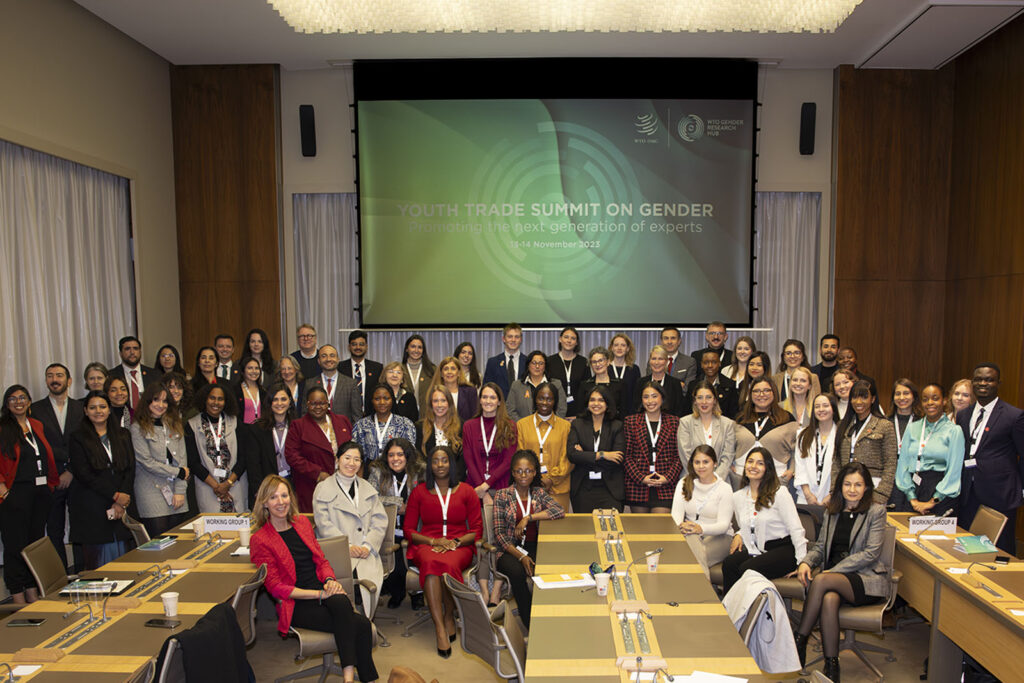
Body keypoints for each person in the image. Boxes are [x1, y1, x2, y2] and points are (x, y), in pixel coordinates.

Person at [250, 475, 379, 683]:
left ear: (291, 498)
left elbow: (321, 560)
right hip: (296, 603)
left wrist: (329, 580)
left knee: (341, 603)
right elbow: (276, 588)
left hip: (322, 590)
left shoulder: (301, 523)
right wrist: (319, 593)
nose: (281, 502)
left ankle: (348, 677)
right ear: (264, 502)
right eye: (273, 497)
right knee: (360, 624)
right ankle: (363, 679)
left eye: (284, 495)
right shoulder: (260, 539)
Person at [793, 462, 888, 682]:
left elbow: (870, 554)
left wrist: (831, 573)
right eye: (847, 484)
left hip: (864, 580)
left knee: (824, 583)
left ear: (866, 488)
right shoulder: (832, 512)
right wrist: (806, 562)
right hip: (831, 582)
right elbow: (819, 547)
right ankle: (832, 667)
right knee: (829, 599)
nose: (852, 489)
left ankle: (800, 639)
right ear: (840, 486)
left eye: (858, 485)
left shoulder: (876, 511)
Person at [404, 446, 482, 658]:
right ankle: (440, 626)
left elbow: (476, 530)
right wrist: (433, 540)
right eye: (435, 461)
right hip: (427, 544)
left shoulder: (466, 491)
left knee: (447, 564)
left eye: (444, 460)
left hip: (459, 545)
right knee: (431, 564)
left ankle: (449, 614)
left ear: (451, 464)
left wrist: (454, 542)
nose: (440, 465)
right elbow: (409, 530)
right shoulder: (419, 492)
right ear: (430, 465)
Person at [313, 442, 388, 617]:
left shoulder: (368, 488)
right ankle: (351, 618)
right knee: (351, 578)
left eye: (356, 459)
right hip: (337, 551)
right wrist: (347, 546)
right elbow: (323, 524)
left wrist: (367, 546)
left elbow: (380, 521)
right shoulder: (322, 488)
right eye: (347, 458)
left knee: (366, 578)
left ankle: (362, 619)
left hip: (365, 551)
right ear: (337, 459)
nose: (351, 463)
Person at [492, 449, 565, 629]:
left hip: (534, 546)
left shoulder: (539, 493)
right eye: (519, 471)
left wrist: (529, 517)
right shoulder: (502, 495)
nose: (523, 475)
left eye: (528, 471)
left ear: (534, 472)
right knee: (517, 573)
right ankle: (531, 622)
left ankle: (550, 614)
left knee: (548, 568)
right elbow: (500, 535)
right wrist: (521, 556)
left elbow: (559, 511)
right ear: (513, 473)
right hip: (509, 550)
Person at [956, 363, 1024, 553]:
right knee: (967, 548)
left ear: (998, 383)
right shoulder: (963, 415)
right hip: (968, 493)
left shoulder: (1013, 416)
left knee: (998, 551)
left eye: (989, 379)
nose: (983, 383)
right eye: (978, 379)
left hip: (1000, 495)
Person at [0, 385, 59, 603]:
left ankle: (32, 590)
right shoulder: (3, 428)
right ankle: (17, 596)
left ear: (29, 402)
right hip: (15, 494)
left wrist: (51, 484)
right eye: (13, 399)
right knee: (15, 545)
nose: (18, 402)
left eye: (22, 398)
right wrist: (3, 491)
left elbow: (46, 455)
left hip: (40, 492)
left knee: (34, 544)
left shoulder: (36, 425)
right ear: (7, 404)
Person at [722, 447, 806, 594]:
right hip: (757, 549)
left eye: (760, 463)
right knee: (729, 564)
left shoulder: (779, 493)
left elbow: (796, 529)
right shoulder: (738, 497)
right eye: (750, 462)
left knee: (747, 569)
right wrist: (739, 534)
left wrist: (802, 562)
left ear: (768, 468)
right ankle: (730, 611)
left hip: (783, 550)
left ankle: (747, 610)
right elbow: (749, 524)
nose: (753, 466)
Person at [68, 391, 134, 568]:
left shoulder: (122, 435)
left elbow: (130, 469)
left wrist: (122, 498)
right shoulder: (77, 438)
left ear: (109, 410)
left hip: (119, 506)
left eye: (102, 406)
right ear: (85, 411)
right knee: (98, 565)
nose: (98, 411)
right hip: (92, 507)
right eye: (93, 407)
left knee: (124, 563)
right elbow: (84, 474)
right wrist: (115, 495)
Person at [31, 363, 84, 570]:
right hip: (51, 479)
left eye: (59, 375)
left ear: (69, 381)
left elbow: (85, 443)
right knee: (54, 529)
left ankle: (83, 570)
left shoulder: (81, 408)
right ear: (46, 381)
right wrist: (58, 472)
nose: (55, 379)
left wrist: (70, 470)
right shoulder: (34, 409)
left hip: (78, 476)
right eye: (50, 375)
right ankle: (61, 576)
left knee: (80, 526)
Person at [367, 438, 424, 609]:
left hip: (415, 528)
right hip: (387, 531)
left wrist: (411, 506)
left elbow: (428, 497)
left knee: (414, 560)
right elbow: (370, 497)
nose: (395, 459)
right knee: (395, 566)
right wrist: (396, 502)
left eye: (400, 454)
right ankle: (397, 593)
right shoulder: (377, 471)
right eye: (391, 455)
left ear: (407, 456)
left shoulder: (419, 471)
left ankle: (417, 594)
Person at [894, 383, 964, 516]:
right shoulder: (912, 428)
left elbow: (954, 472)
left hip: (941, 492)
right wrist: (912, 498)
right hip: (913, 490)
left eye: (935, 398)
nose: (930, 403)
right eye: (925, 399)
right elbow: (903, 464)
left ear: (944, 401)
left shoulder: (954, 431)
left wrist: (934, 500)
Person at [285, 387, 354, 513]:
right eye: (313, 403)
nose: (318, 407)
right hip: (312, 484)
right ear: (307, 404)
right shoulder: (298, 426)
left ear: (328, 403)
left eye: (322, 403)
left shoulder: (342, 421)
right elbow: (292, 456)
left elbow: (352, 449)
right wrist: (317, 473)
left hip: (343, 482)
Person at [832, 380, 897, 505]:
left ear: (872, 399)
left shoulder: (884, 425)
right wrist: (834, 490)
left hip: (873, 487)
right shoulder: (843, 425)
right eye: (855, 397)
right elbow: (836, 461)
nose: (859, 402)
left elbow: (890, 463)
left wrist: (881, 494)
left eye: (864, 397)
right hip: (845, 489)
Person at [185, 383, 248, 513]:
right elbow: (193, 461)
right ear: (205, 399)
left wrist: (228, 484)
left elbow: (244, 457)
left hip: (235, 486)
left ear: (226, 402)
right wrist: (217, 487)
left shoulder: (235, 422)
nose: (216, 402)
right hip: (208, 487)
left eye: (220, 399)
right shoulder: (192, 425)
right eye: (212, 398)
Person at [671, 444, 735, 566]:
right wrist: (685, 528)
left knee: (693, 558)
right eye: (697, 462)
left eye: (706, 462)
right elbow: (676, 518)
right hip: (690, 534)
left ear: (715, 463)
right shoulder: (684, 483)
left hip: (720, 536)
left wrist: (700, 529)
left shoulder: (724, 488)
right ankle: (703, 585)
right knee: (688, 551)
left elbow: (723, 525)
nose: (701, 466)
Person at [624, 381, 682, 513]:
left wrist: (667, 478)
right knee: (641, 531)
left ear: (662, 397)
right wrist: (641, 478)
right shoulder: (630, 422)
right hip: (638, 485)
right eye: (646, 397)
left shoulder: (675, 422)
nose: (650, 401)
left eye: (654, 396)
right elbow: (626, 456)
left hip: (665, 485)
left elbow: (679, 456)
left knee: (659, 529)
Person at [568, 386, 626, 512]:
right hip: (583, 487)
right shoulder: (577, 424)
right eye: (592, 400)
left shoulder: (617, 426)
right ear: (587, 403)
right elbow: (572, 455)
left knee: (611, 528)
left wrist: (585, 455)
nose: (596, 404)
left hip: (609, 488)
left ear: (607, 404)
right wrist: (602, 455)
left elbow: (618, 458)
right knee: (584, 529)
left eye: (601, 400)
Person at [734, 378, 799, 491]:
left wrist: (791, 470)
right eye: (756, 391)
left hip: (776, 480)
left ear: (774, 392)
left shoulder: (787, 418)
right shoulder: (740, 418)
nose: (761, 394)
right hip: (741, 480)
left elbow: (797, 449)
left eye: (766, 390)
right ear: (750, 394)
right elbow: (730, 445)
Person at [516, 383, 572, 511]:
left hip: (558, 489)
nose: (545, 403)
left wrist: (551, 479)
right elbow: (519, 456)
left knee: (557, 529)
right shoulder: (522, 425)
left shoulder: (565, 427)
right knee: (530, 528)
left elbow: (567, 459)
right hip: (529, 488)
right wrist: (535, 479)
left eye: (549, 399)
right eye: (541, 398)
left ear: (555, 401)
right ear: (535, 400)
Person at [238, 384, 296, 509]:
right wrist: (261, 493)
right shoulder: (257, 429)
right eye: (275, 399)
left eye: (283, 399)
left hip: (293, 486)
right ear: (269, 402)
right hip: (267, 488)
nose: (279, 403)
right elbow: (253, 465)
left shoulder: (297, 427)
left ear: (290, 402)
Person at [462, 383, 517, 505]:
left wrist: (486, 485)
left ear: (499, 402)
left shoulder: (510, 426)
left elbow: (508, 461)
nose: (488, 401)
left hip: (501, 486)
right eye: (484, 397)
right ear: (480, 401)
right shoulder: (469, 426)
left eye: (492, 397)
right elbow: (469, 460)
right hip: (475, 486)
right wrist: (482, 491)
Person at [678, 381, 737, 485]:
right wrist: (700, 480)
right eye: (700, 397)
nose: (704, 402)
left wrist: (715, 480)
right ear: (695, 401)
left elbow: (727, 456)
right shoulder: (685, 423)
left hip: (720, 482)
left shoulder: (727, 424)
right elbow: (685, 455)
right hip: (692, 481)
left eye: (708, 397)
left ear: (714, 400)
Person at [794, 393, 839, 507]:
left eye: (825, 405)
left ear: (833, 408)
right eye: (817, 406)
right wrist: (808, 494)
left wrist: (832, 495)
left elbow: (843, 468)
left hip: (832, 497)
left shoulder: (842, 435)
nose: (821, 409)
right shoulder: (803, 435)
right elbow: (800, 467)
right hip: (806, 497)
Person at [352, 385, 417, 464]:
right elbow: (357, 455)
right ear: (371, 401)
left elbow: (410, 455)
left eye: (386, 398)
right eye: (377, 399)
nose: (382, 402)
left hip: (397, 469)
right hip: (369, 471)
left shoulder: (405, 424)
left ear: (392, 400)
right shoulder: (361, 425)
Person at [416, 387, 466, 483]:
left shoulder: (462, 426)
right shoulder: (420, 427)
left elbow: (462, 462)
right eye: (435, 401)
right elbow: (419, 460)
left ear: (450, 403)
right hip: (427, 483)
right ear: (431, 404)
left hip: (455, 483)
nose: (439, 405)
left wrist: (452, 481)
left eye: (443, 400)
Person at [304, 345, 362, 424]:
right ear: (319, 361)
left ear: (338, 359)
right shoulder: (310, 384)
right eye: (324, 356)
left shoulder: (351, 384)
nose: (328, 359)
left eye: (332, 355)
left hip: (343, 432)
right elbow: (305, 414)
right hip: (316, 432)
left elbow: (357, 416)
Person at [507, 350, 567, 421]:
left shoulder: (556, 384)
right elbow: (510, 410)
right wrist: (523, 426)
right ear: (528, 365)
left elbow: (561, 409)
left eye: (541, 363)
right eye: (534, 363)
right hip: (523, 429)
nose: (537, 366)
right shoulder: (516, 385)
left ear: (545, 366)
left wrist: (550, 425)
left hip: (551, 428)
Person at [108, 335, 159, 413]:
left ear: (140, 352)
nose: (132, 352)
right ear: (120, 353)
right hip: (122, 419)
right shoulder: (111, 375)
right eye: (127, 349)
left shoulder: (154, 374)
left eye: (135, 348)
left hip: (149, 418)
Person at [684, 350, 739, 418]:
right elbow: (687, 412)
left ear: (719, 364)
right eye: (706, 362)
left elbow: (734, 414)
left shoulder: (730, 385)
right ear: (701, 364)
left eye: (714, 362)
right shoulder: (693, 385)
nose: (710, 366)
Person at [546, 326, 587, 418]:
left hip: (578, 413)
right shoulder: (550, 361)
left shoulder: (583, 362)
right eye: (566, 337)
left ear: (576, 343)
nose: (569, 341)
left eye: (573, 338)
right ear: (560, 339)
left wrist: (580, 415)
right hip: (555, 411)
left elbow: (586, 390)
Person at [423, 356, 478, 422]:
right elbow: (430, 416)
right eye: (446, 369)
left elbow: (475, 418)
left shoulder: (470, 392)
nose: (449, 372)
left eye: (453, 368)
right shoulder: (434, 393)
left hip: (464, 431)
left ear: (459, 373)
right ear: (441, 374)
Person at [341, 330, 383, 417]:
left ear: (366, 347)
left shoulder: (377, 368)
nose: (358, 347)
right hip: (347, 416)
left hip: (371, 416)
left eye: (361, 344)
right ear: (349, 347)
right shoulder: (340, 368)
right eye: (354, 344)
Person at [636, 345, 685, 417]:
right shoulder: (640, 382)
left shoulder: (675, 383)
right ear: (649, 361)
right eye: (653, 358)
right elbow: (637, 407)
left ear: (666, 361)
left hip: (670, 425)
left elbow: (679, 410)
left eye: (660, 359)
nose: (656, 362)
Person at [579, 346, 625, 421]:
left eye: (600, 360)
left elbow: (624, 410)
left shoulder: (620, 384)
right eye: (594, 362)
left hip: (615, 426)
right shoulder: (585, 385)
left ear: (608, 362)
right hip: (590, 426)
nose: (597, 364)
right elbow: (581, 411)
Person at [483, 323, 526, 399]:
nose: (513, 340)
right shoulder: (493, 363)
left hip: (522, 409)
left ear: (521, 340)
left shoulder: (527, 362)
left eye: (517, 337)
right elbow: (487, 389)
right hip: (499, 408)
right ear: (503, 339)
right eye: (510, 337)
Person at [608, 333, 642, 415]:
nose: (619, 348)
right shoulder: (605, 368)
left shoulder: (634, 369)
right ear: (612, 348)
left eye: (623, 345)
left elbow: (637, 394)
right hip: (609, 414)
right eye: (616, 345)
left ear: (627, 349)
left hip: (629, 414)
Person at [888, 378, 923, 453]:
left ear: (914, 397)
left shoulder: (922, 422)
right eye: (897, 394)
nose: (901, 398)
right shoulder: (886, 422)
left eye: (906, 393)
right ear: (893, 398)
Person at [402, 334, 435, 412]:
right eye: (413, 346)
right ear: (407, 349)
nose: (416, 350)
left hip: (427, 414)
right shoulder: (400, 370)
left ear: (423, 351)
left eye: (419, 347)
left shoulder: (432, 370)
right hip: (406, 415)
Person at [234, 357, 266, 425]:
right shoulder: (236, 391)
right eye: (250, 368)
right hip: (243, 431)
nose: (254, 371)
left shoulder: (263, 391)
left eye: (256, 368)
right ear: (243, 371)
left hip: (261, 430)